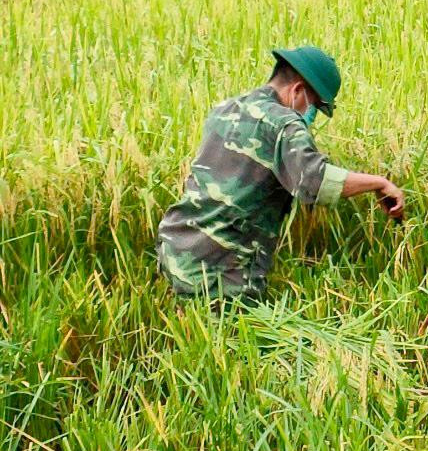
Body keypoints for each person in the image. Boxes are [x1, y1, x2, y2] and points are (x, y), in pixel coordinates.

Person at [156, 46, 405, 302]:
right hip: (220, 265)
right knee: (232, 338)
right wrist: (379, 183)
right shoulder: (284, 123)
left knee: (195, 333)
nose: (311, 115)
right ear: (297, 90)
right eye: (315, 106)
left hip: (178, 243)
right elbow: (313, 182)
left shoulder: (225, 108)